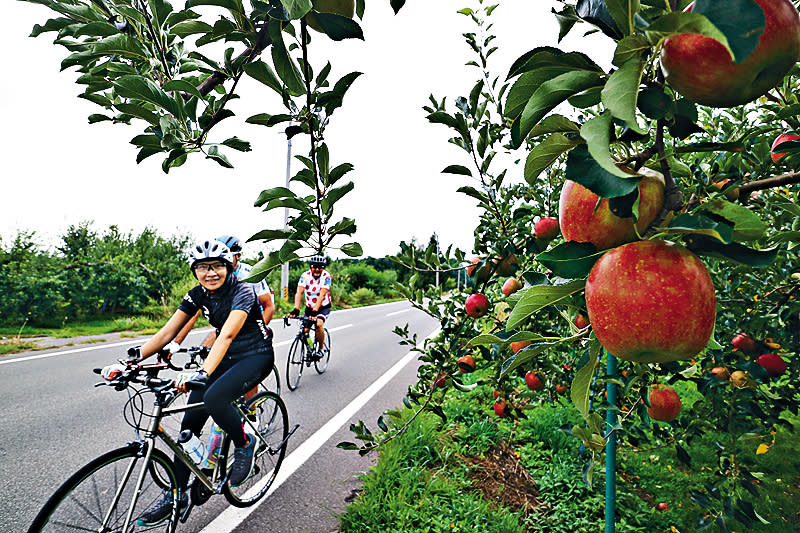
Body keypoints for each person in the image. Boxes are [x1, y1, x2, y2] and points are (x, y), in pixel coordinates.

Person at [121, 238, 275, 526]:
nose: (211, 273)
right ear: (195, 271)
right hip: (225, 358)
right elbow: (167, 332)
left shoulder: (242, 291)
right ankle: (176, 495)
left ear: (229, 267)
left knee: (215, 397)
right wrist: (128, 361)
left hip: (255, 356)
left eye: (217, 266)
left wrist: (202, 373)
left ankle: (244, 442)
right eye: (203, 267)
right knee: (188, 427)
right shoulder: (198, 294)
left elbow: (226, 335)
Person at [170, 235, 275, 350]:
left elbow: (269, 307)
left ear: (238, 256)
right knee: (203, 350)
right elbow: (193, 312)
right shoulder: (214, 278)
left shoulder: (249, 274)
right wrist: (176, 343)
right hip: (226, 323)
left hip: (250, 324)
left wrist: (257, 335)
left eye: (228, 256)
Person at [289, 255, 332, 358]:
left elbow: (322, 294)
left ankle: (320, 349)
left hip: (323, 307)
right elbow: (299, 292)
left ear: (323, 268)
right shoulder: (305, 276)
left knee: (318, 324)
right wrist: (296, 309)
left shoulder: (326, 276)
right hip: (310, 307)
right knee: (305, 331)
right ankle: (310, 348)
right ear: (310, 267)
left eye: (320, 267)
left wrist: (315, 311)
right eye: (314, 266)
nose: (317, 269)